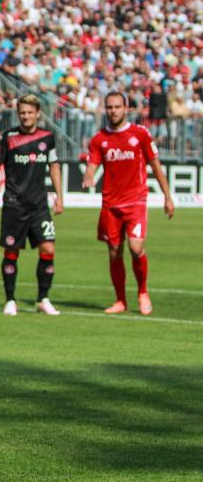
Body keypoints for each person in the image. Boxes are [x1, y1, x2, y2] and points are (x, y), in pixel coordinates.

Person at [82, 92, 174, 315]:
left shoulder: (140, 134)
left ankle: (142, 292)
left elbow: (155, 165)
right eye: (110, 107)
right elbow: (93, 164)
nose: (113, 111)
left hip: (135, 201)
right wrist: (88, 175)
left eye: (117, 107)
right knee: (114, 252)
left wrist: (167, 196)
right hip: (110, 204)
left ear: (126, 109)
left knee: (135, 247)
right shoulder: (99, 139)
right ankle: (120, 301)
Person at [0, 94, 63, 316]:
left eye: (30, 112)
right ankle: (10, 300)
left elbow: (54, 166)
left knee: (48, 249)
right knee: (11, 251)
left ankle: (43, 299)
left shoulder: (47, 137)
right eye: (22, 112)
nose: (26, 116)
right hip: (14, 205)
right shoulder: (8, 137)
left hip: (39, 206)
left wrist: (60, 197)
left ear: (38, 113)